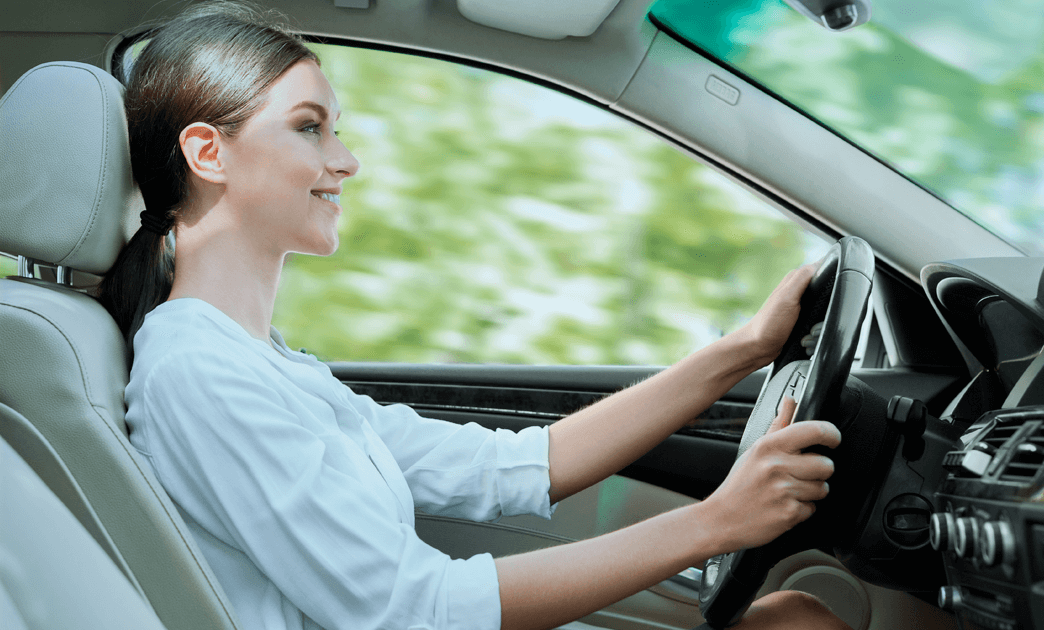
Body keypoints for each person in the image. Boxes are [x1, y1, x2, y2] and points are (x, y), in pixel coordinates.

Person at [99, 3, 848, 630]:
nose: (347, 159)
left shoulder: (267, 364)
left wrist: (745, 350)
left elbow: (513, 468)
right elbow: (410, 609)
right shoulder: (199, 373)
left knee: (794, 615)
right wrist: (715, 523)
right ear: (208, 152)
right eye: (309, 128)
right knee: (798, 622)